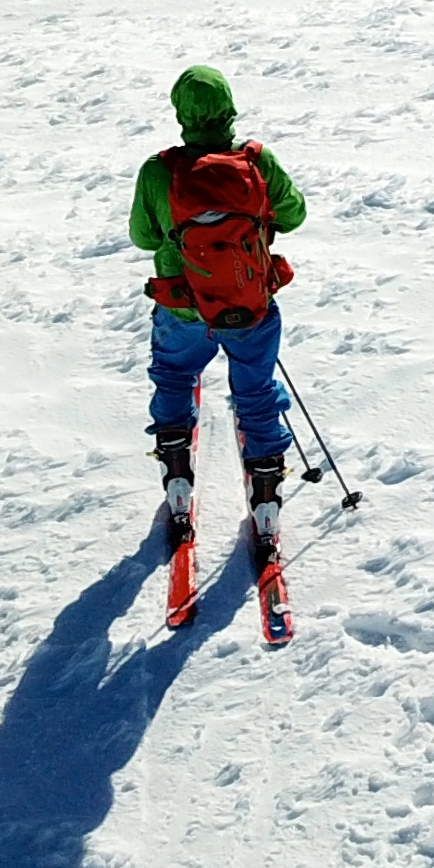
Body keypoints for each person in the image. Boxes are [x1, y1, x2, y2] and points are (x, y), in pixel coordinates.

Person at [131, 65, 306, 577]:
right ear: (228, 107)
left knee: (175, 375)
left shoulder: (159, 172)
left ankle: (177, 474)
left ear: (180, 113)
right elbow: (293, 215)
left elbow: (144, 237)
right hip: (248, 304)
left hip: (183, 305)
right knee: (254, 392)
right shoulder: (256, 161)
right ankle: (267, 498)